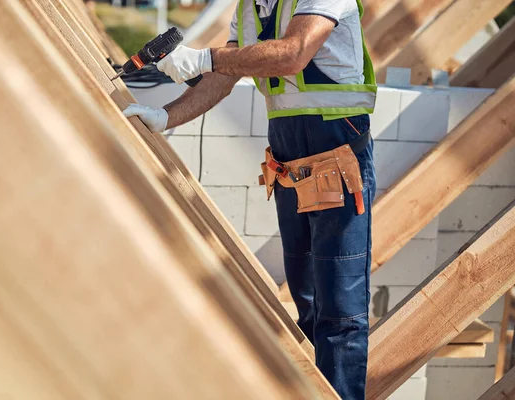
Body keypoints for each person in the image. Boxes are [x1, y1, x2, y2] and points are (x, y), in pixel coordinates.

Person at [124, 0, 377, 398]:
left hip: (337, 156)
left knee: (341, 313)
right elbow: (223, 76)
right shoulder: (251, 7)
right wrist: (166, 116)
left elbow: (293, 53)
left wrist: (205, 58)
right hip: (293, 168)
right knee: (308, 302)